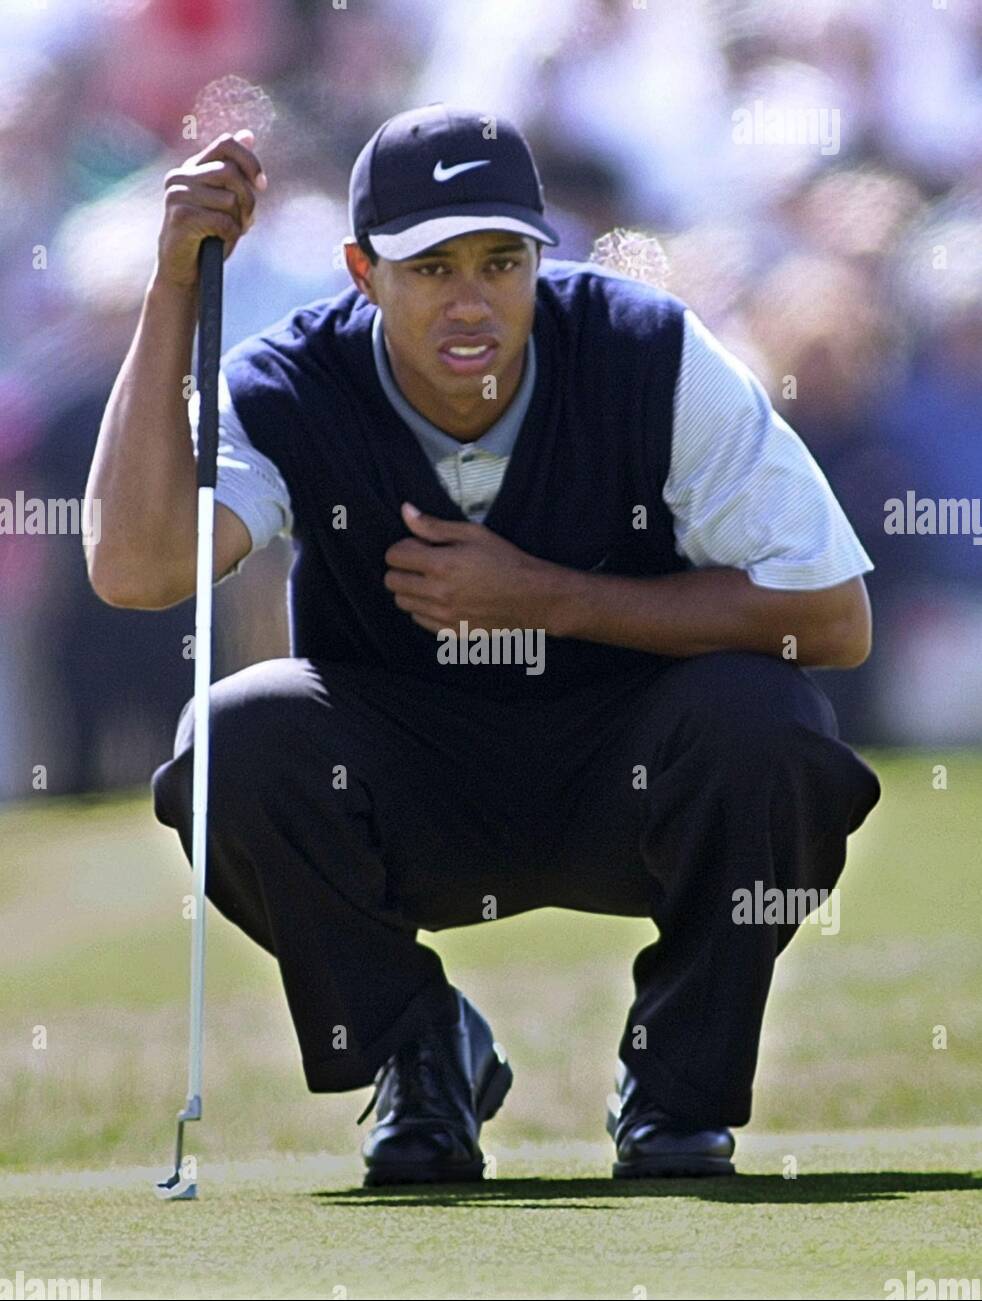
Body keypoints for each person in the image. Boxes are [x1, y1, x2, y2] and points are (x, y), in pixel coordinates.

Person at [84, 104, 881, 1185]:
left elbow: (832, 619)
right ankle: (418, 1051)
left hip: (631, 770)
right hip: (407, 786)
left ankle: (676, 1088)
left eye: (502, 261)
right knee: (235, 733)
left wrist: (547, 598)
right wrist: (174, 283)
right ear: (364, 272)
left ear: (539, 261)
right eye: (432, 267)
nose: (473, 301)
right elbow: (134, 569)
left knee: (771, 726)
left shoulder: (651, 354)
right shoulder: (288, 384)